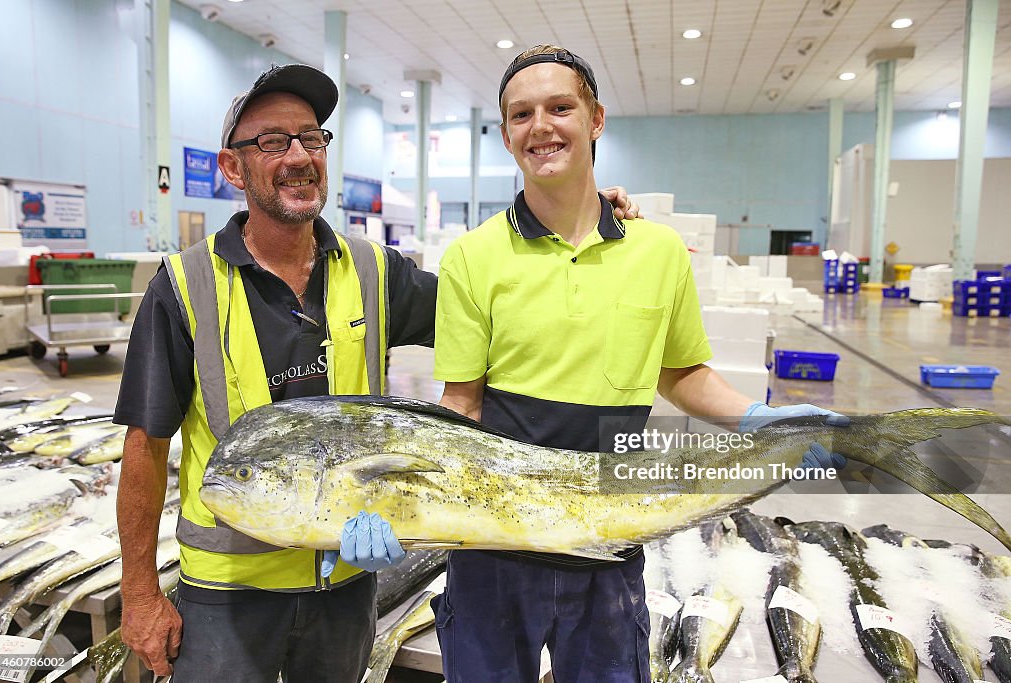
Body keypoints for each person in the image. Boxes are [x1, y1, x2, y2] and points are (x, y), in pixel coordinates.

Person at [113, 63, 641, 681]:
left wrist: (571, 215)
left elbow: (492, 315)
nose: (298, 157)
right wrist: (140, 594)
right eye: (273, 142)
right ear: (232, 168)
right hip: (229, 595)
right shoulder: (185, 285)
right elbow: (144, 446)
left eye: (311, 138)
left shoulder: (372, 271)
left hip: (347, 583)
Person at [432, 45, 847, 683]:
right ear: (507, 133)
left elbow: (680, 373)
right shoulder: (471, 257)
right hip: (495, 541)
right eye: (521, 115)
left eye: (559, 108)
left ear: (595, 119)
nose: (540, 126)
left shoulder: (658, 252)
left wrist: (758, 418)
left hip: (611, 535)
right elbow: (461, 405)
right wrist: (401, 496)